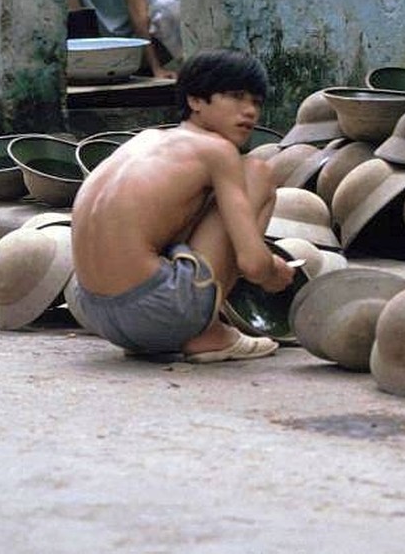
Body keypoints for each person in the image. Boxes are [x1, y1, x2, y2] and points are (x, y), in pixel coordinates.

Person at [70, 48, 297, 363]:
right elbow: (254, 265)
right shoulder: (217, 150)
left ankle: (183, 325)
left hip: (93, 311)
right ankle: (209, 334)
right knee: (258, 172)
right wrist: (273, 273)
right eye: (235, 96)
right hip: (156, 310)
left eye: (256, 102)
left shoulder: (145, 140)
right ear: (195, 100)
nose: (249, 112)